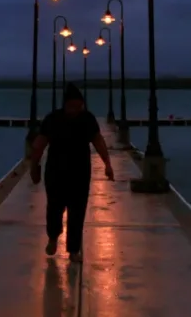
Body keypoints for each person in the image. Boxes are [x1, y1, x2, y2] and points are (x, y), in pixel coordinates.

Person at [29, 83, 114, 263]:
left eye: (78, 106)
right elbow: (39, 144)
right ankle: (53, 237)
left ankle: (73, 250)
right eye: (72, 106)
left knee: (77, 212)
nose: (75, 109)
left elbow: (98, 141)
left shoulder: (87, 119)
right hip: (55, 173)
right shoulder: (52, 119)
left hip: (80, 173)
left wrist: (107, 163)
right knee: (54, 208)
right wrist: (34, 166)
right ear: (65, 104)